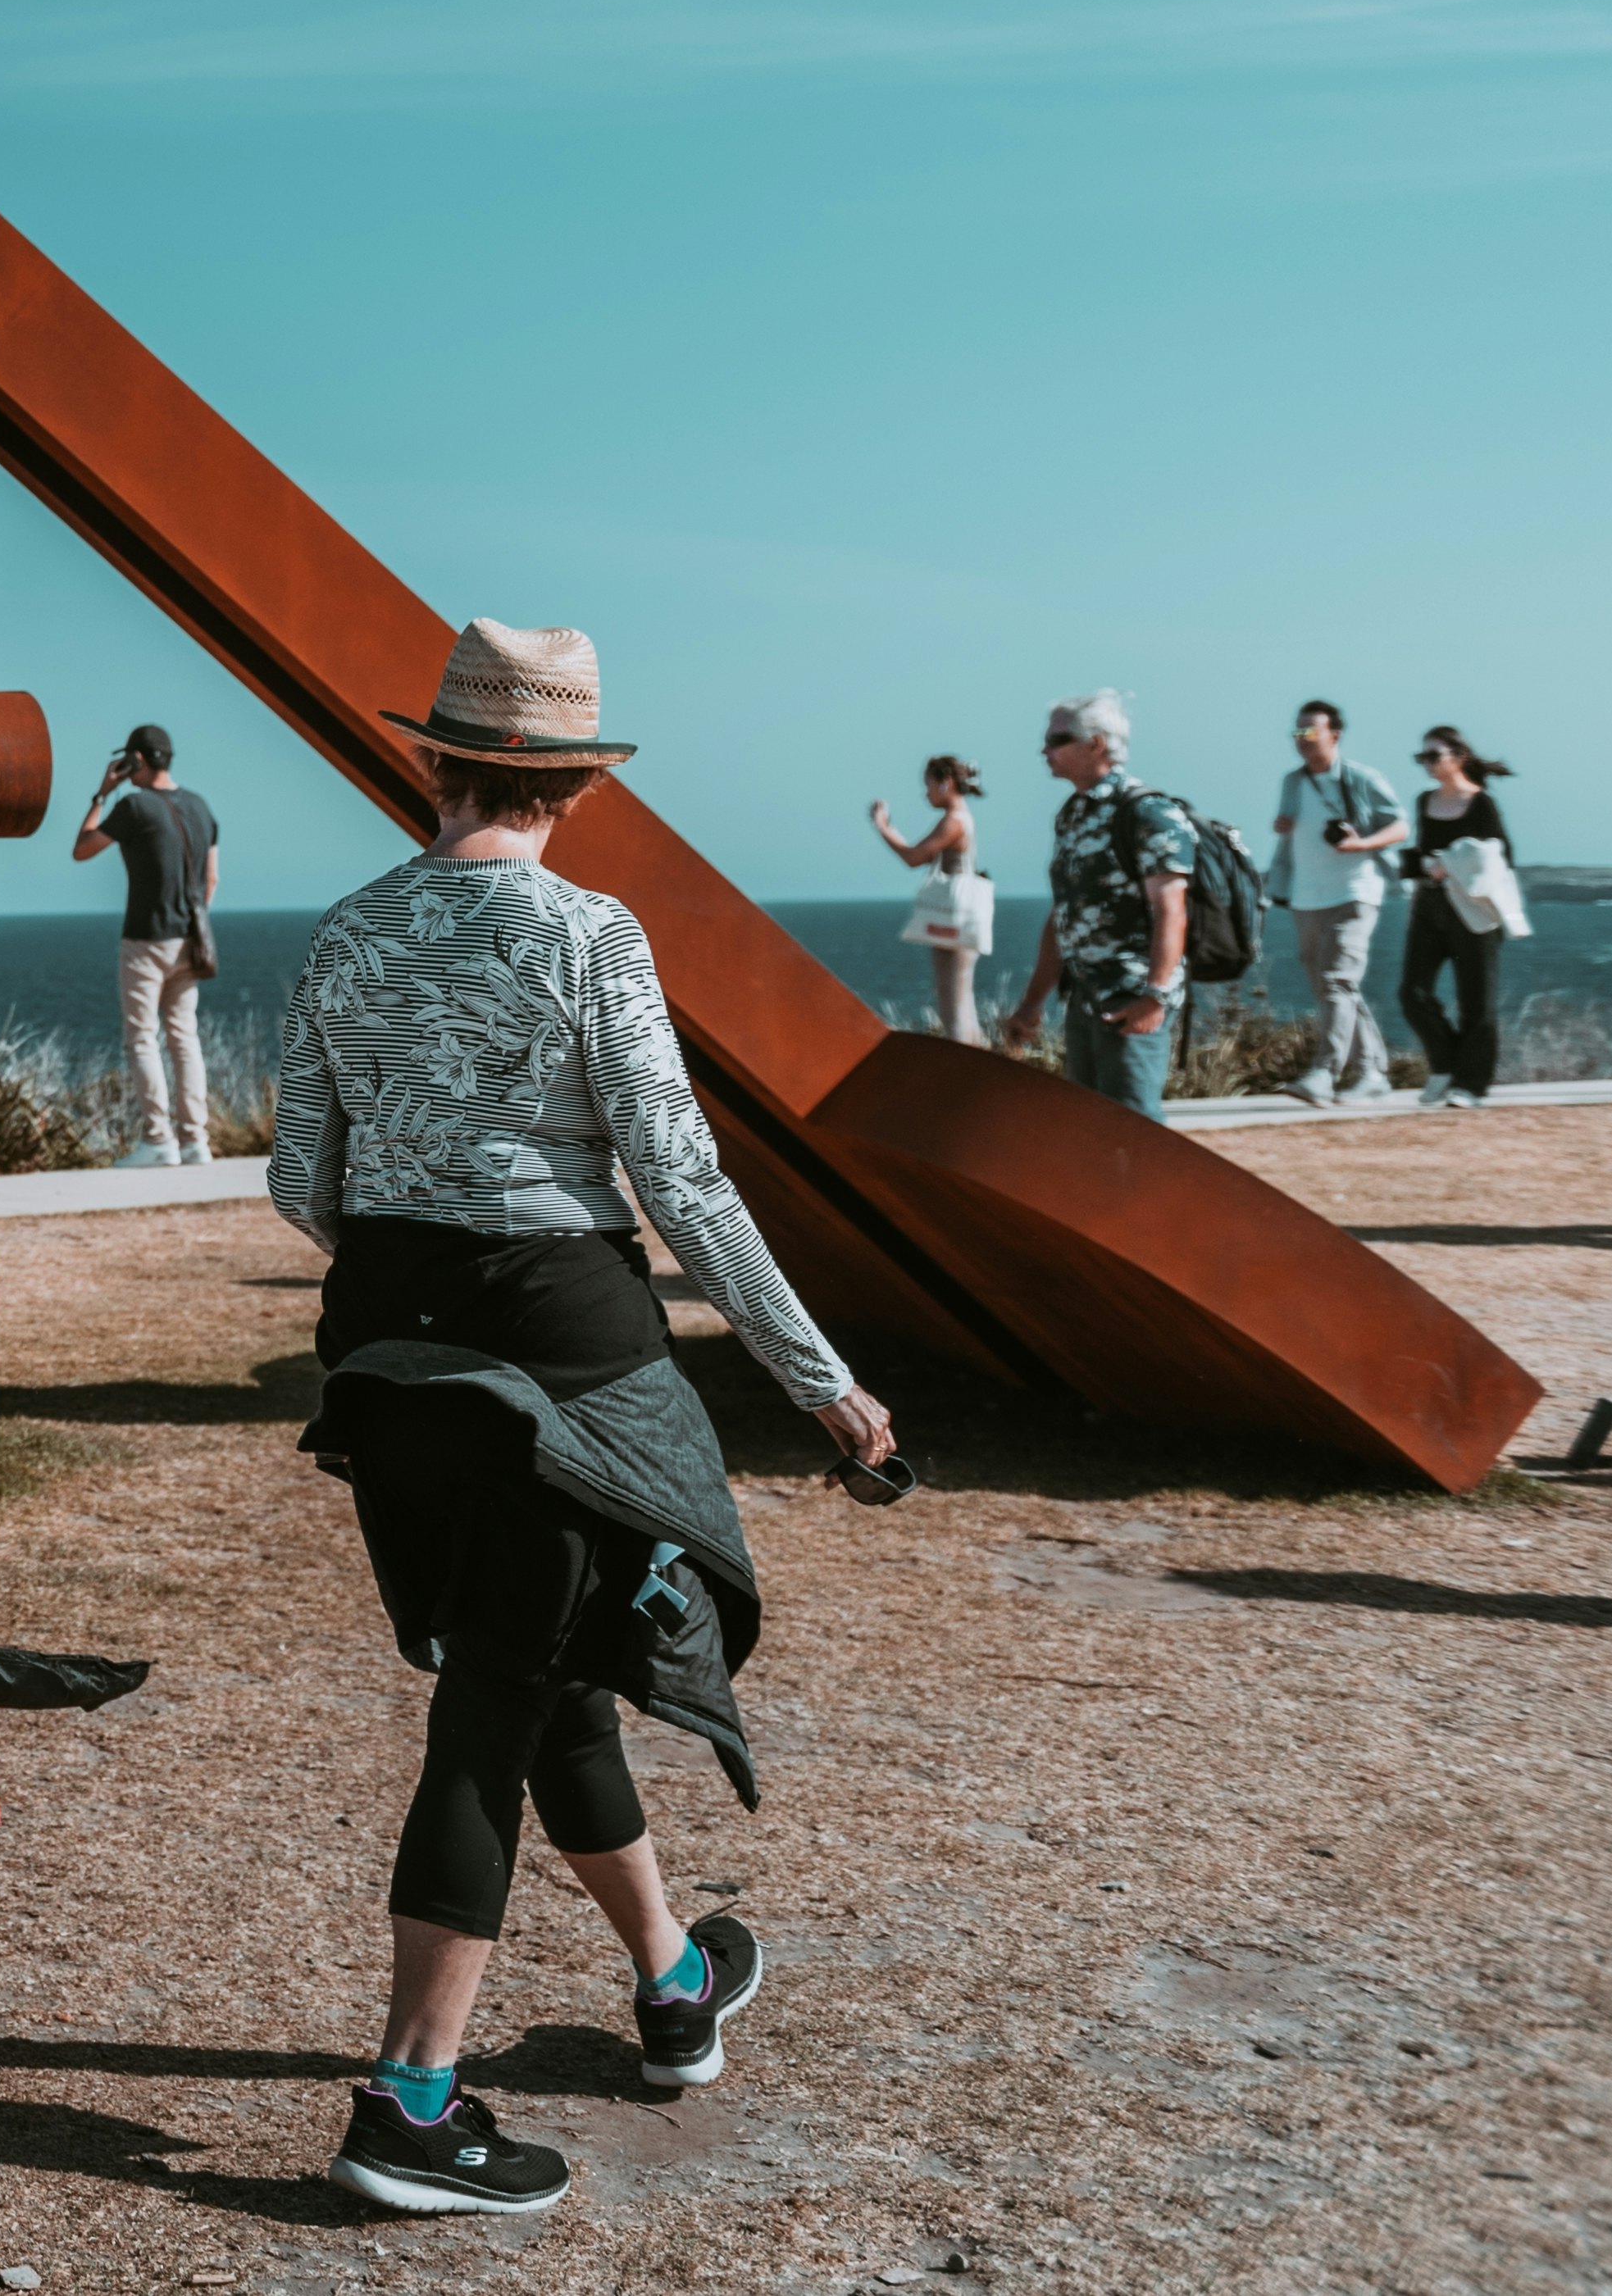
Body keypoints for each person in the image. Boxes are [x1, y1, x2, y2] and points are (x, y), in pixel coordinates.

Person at [270, 621, 894, 2219]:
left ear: (433, 758)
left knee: (537, 1675)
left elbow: (296, 1180)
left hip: (384, 1357)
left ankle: (672, 1978)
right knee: (495, 1696)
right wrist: (816, 1378)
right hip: (558, 1350)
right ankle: (408, 2098)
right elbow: (675, 1179)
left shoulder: (343, 931)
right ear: (568, 780)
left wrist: (417, 1268)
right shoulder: (587, 934)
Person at [998, 690, 1191, 1123]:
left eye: (1058, 739)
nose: (1044, 750)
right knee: (1088, 1128)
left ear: (1096, 744)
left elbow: (1171, 910)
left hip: (1131, 997)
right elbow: (1065, 914)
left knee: (1134, 1130)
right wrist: (1033, 1004)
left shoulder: (1148, 812)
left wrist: (1155, 998)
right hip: (1085, 997)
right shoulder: (1072, 815)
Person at [70, 724, 220, 1165]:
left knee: (141, 1039)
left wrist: (102, 793)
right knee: (184, 1039)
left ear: (136, 759)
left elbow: (82, 848)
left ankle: (158, 1141)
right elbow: (212, 879)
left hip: (145, 939)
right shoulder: (201, 807)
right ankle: (196, 1142)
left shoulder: (134, 806)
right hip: (190, 940)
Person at [1269, 702, 1407, 1108]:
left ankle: (1323, 1074)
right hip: (1305, 895)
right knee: (1335, 987)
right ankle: (1372, 1072)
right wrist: (1284, 829)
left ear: (1335, 735)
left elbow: (1399, 825)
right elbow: (1293, 829)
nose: (1303, 741)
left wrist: (1360, 844)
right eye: (1297, 733)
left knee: (1336, 982)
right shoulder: (1292, 782)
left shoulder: (1362, 778)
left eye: (1311, 732)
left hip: (1355, 891)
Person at [1397, 725, 1519, 1110]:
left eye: (1434, 756)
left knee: (1476, 1002)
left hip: (1474, 910)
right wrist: (1419, 868)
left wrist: (1450, 863)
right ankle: (1446, 1067)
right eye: (1422, 758)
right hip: (1430, 908)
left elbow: (1501, 858)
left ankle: (1471, 1085)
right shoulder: (1423, 801)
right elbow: (1419, 855)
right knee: (1412, 993)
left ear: (1458, 758)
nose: (1427, 765)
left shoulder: (1482, 804)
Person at [865, 757, 991, 1045]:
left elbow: (913, 857)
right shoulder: (962, 817)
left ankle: (961, 1072)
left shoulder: (953, 820)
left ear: (945, 783)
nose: (926, 793)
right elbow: (918, 854)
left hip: (954, 919)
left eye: (929, 785)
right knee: (962, 1002)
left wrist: (882, 827)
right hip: (962, 918)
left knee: (953, 1007)